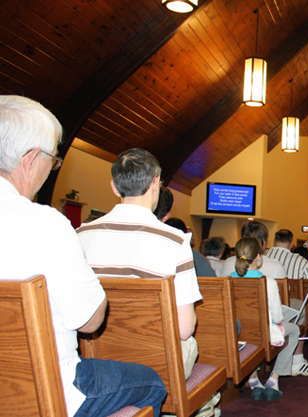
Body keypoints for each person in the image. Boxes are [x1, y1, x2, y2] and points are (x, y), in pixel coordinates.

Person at [0, 95, 167, 417]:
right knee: (152, 382)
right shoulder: (43, 223)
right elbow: (90, 321)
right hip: (50, 391)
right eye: (53, 159)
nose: (51, 168)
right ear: (30, 159)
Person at [77, 148, 203, 381]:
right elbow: (184, 329)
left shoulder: (80, 235)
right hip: (153, 364)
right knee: (191, 343)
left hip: (92, 361)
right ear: (156, 183)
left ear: (114, 187)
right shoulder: (175, 240)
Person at [230, 237, 297, 401]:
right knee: (295, 330)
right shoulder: (268, 282)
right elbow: (277, 317)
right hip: (262, 333)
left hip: (236, 333)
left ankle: (253, 379)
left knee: (248, 332)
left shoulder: (227, 280)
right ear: (258, 257)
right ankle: (274, 379)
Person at [264, 228, 308, 367]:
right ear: (291, 244)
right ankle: (300, 358)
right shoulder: (301, 262)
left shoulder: (260, 257)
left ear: (273, 241)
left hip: (261, 308)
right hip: (289, 310)